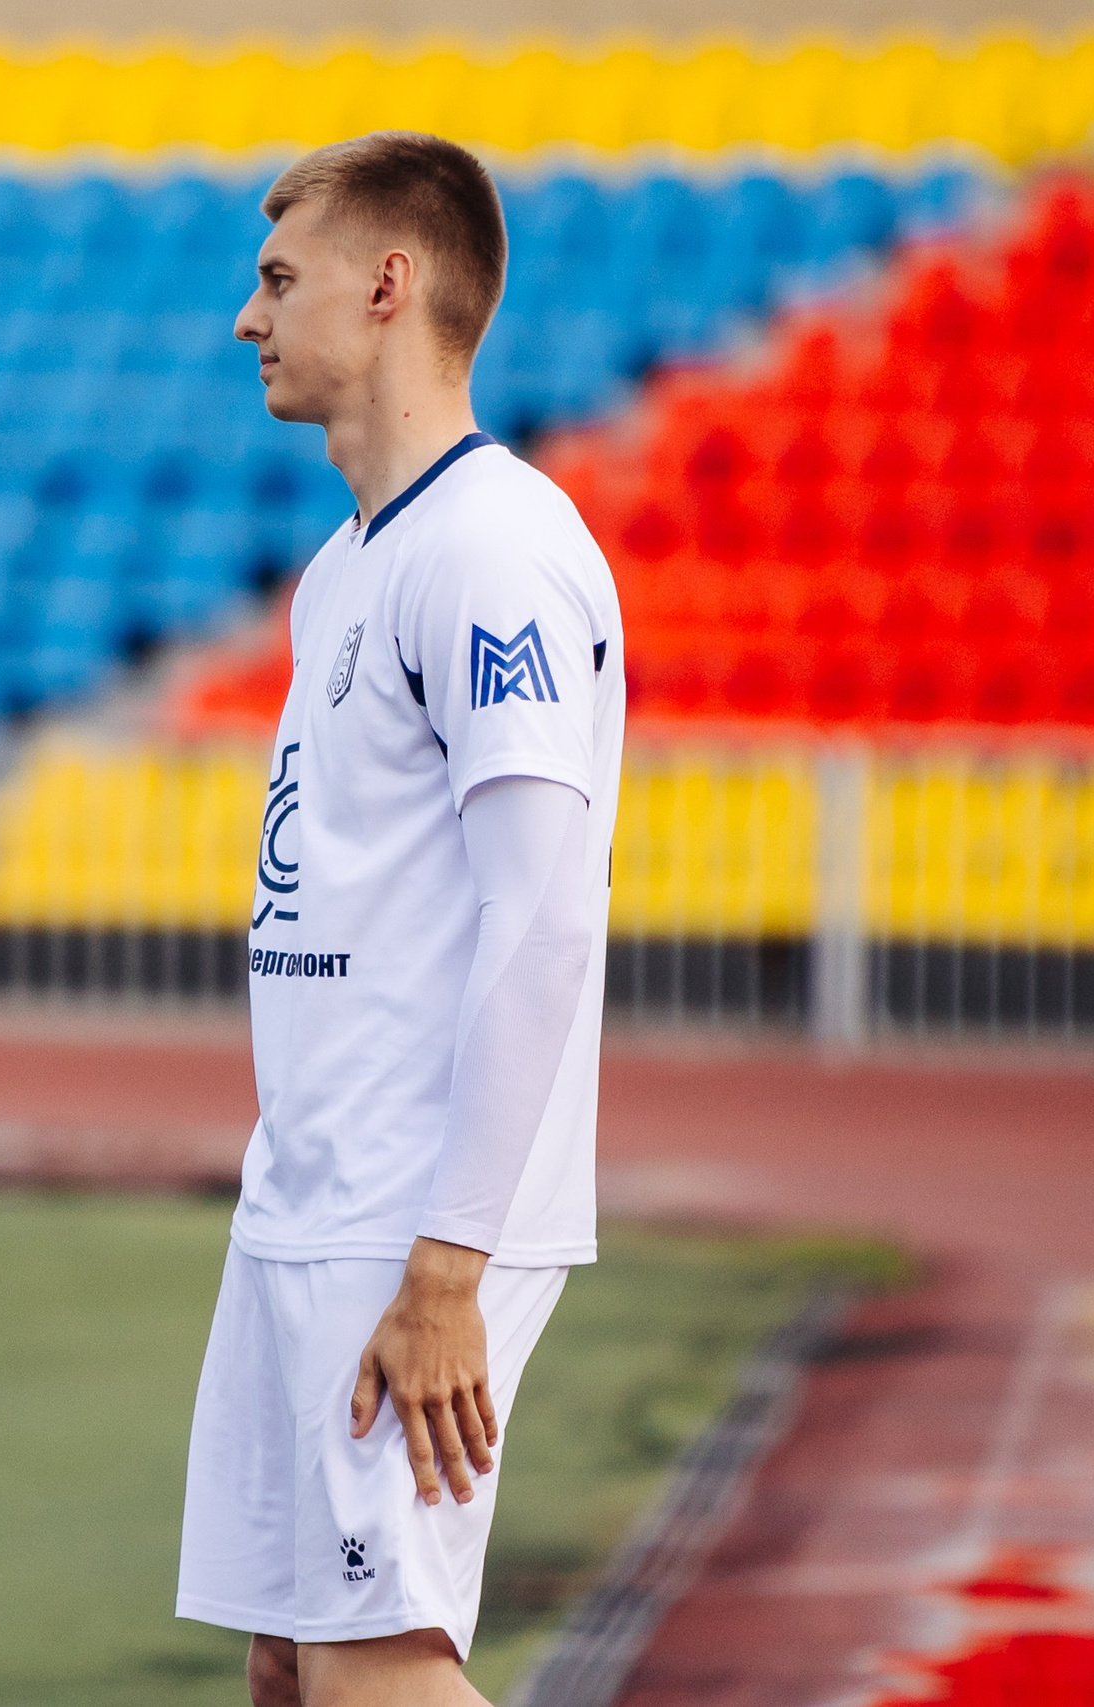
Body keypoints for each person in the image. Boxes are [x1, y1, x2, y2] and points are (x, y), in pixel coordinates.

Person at [177, 135, 625, 1707]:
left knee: (378, 1678)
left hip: (408, 1217)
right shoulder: (341, 573)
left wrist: (450, 1258)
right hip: (307, 1193)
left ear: (389, 284)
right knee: (299, 1670)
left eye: (278, 278)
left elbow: (544, 918)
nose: (249, 318)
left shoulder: (496, 550)